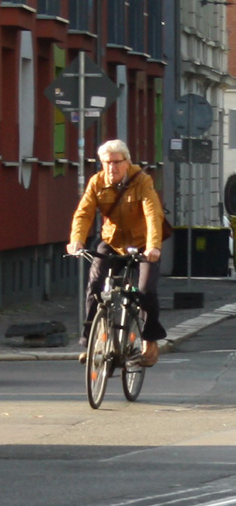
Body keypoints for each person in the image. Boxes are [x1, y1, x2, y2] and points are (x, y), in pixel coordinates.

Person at [67, 139, 166, 367]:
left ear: (127, 161)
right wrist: (77, 241)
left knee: (145, 290)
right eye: (106, 163)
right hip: (112, 242)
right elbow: (83, 214)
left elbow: (153, 214)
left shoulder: (142, 181)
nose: (111, 167)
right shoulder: (97, 182)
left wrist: (153, 247)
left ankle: (150, 340)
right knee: (95, 286)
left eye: (116, 162)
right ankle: (92, 344)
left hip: (142, 245)